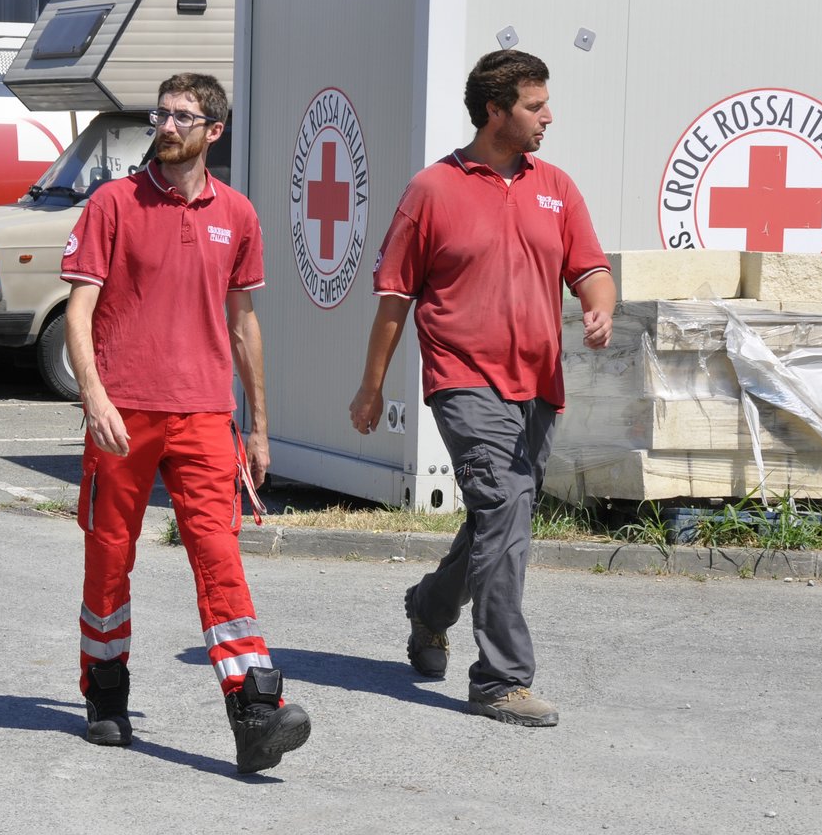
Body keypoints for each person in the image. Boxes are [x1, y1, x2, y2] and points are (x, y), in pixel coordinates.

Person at [347, 49, 615, 728]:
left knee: (500, 518)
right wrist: (371, 387)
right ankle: (501, 677)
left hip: (539, 383)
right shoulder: (431, 190)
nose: (547, 116)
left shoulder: (555, 185)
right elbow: (394, 298)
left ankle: (430, 608)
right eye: (534, 105)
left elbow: (590, 267)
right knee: (504, 506)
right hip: (464, 379)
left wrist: (598, 302)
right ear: (495, 111)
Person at [62, 71, 311, 775]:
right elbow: (79, 313)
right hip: (124, 411)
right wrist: (95, 396)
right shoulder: (113, 204)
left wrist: (260, 426)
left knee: (219, 554)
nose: (166, 125)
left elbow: (243, 324)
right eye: (161, 113)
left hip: (206, 414)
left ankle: (255, 709)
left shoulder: (239, 213)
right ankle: (106, 689)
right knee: (109, 555)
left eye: (183, 116)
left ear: (213, 131)